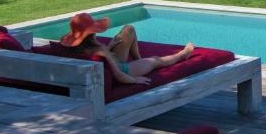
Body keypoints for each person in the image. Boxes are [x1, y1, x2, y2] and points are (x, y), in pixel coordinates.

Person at [60, 12, 194, 85]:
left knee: (128, 29)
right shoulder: (98, 51)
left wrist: (110, 47)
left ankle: (139, 60)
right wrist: (135, 80)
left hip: (111, 62)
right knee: (156, 60)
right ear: (91, 32)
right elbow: (118, 74)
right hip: (124, 70)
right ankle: (183, 54)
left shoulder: (78, 48)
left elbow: (101, 57)